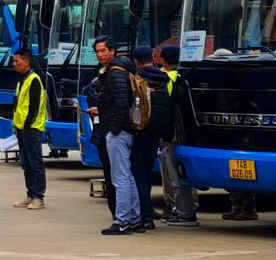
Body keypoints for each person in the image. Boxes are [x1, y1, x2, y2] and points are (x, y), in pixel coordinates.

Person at [85, 38, 145, 235]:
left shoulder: (115, 72)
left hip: (118, 131)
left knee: (119, 177)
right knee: (126, 176)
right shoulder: (123, 69)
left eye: (103, 51)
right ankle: (135, 219)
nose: (100, 55)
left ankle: (122, 221)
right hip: (124, 128)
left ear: (112, 51)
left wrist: (114, 128)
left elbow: (121, 103)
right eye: (97, 52)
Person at [150, 46, 200, 225]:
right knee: (180, 174)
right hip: (186, 134)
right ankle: (184, 209)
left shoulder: (167, 79)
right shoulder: (185, 76)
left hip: (173, 135)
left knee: (175, 175)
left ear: (162, 60)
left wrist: (164, 135)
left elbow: (167, 110)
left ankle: (185, 213)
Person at [128, 48, 165, 231]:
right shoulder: (165, 78)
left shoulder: (136, 79)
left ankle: (145, 215)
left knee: (138, 176)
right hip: (157, 135)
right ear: (152, 58)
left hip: (138, 133)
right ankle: (148, 209)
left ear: (135, 61)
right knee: (148, 174)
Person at [9, 50, 50, 209]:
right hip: (21, 128)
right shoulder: (21, 80)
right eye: (14, 61)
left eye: (17, 61)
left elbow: (34, 106)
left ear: (27, 62)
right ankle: (30, 194)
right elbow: (19, 105)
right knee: (26, 163)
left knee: (35, 163)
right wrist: (16, 125)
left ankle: (39, 197)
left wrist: (26, 125)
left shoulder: (34, 79)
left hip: (31, 128)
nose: (14, 64)